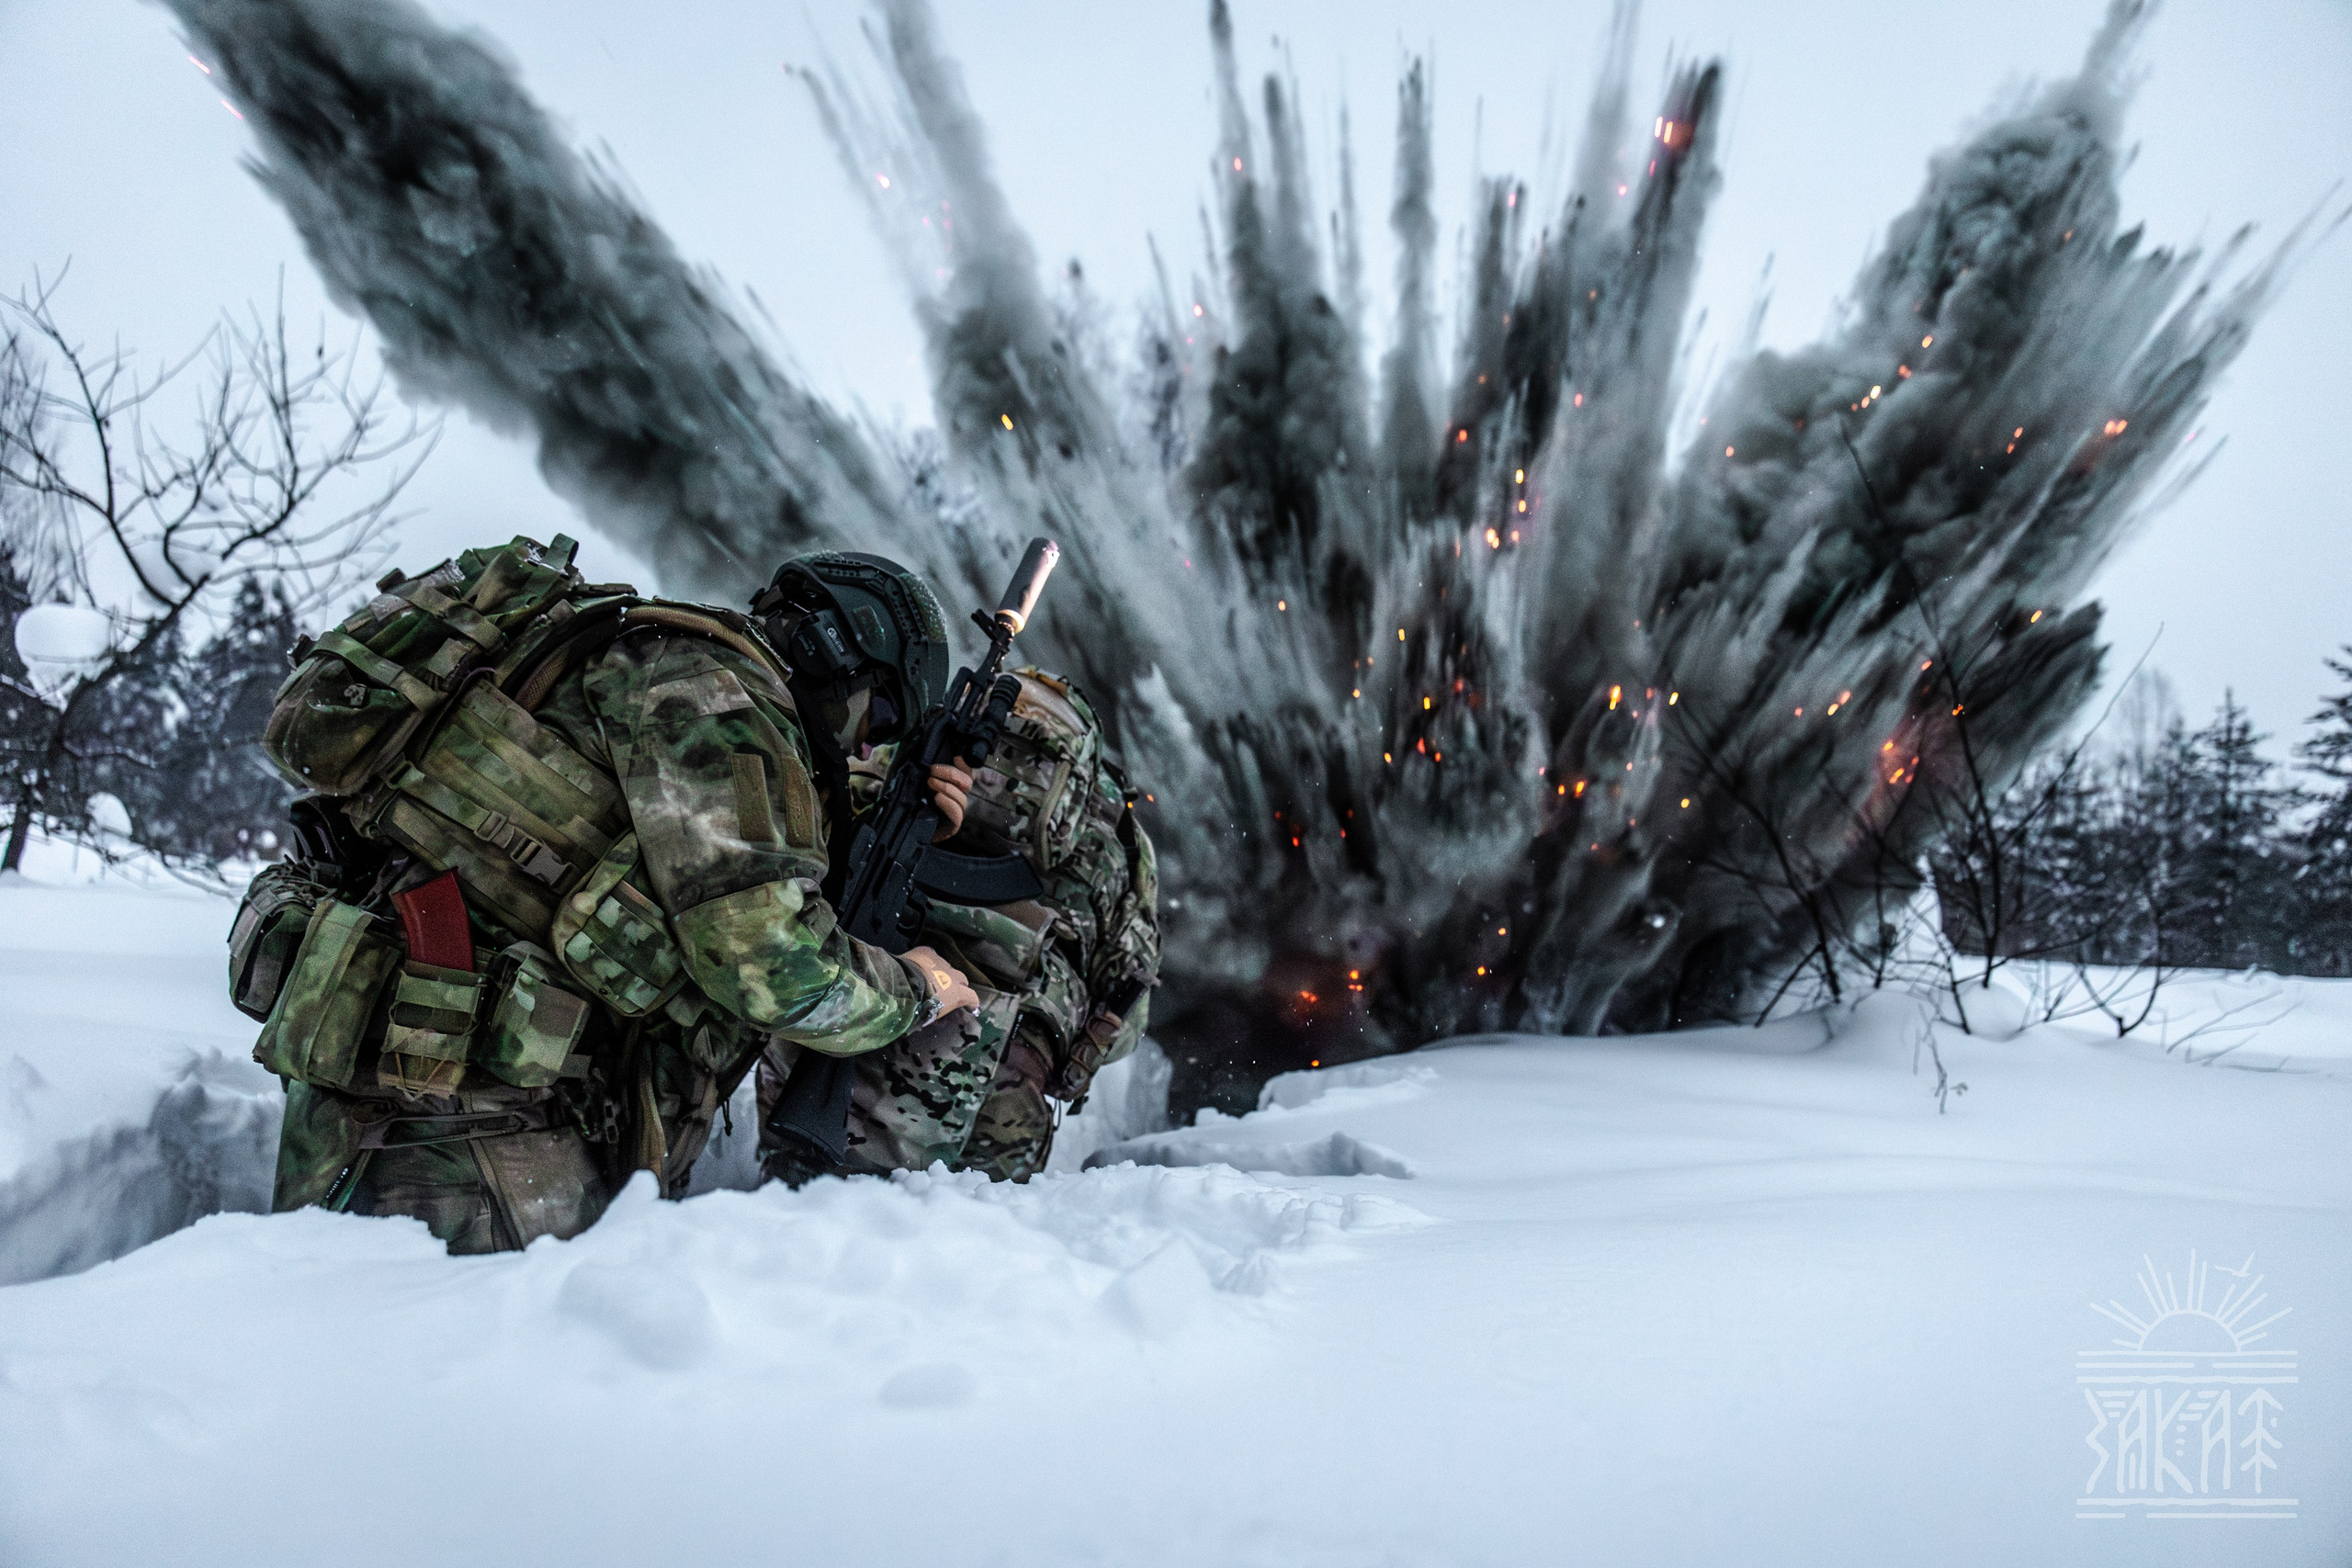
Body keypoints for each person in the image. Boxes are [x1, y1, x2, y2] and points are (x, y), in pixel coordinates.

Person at [229, 534, 979, 1253]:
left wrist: (887, 813)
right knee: (441, 1370)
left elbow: (679, 839)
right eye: (877, 720)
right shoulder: (718, 701)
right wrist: (919, 985)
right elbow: (771, 963)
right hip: (474, 1141)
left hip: (430, 1103)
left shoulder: (660, 663)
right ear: (836, 654)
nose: (862, 747)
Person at [750, 559, 1159, 1185]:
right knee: (974, 1250)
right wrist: (1070, 1066)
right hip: (995, 1081)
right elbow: (1126, 1015)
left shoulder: (888, 751)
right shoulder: (1120, 844)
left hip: (836, 1016)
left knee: (790, 1201)